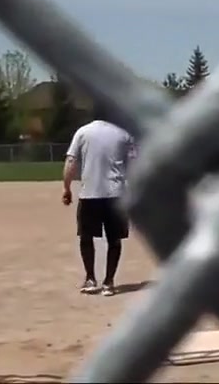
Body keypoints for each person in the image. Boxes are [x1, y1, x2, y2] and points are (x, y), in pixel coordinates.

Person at [62, 104, 135, 296]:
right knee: (114, 239)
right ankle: (109, 282)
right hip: (116, 194)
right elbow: (134, 165)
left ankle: (90, 278)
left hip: (89, 194)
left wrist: (66, 188)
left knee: (86, 237)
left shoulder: (83, 132)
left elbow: (71, 161)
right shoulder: (123, 134)